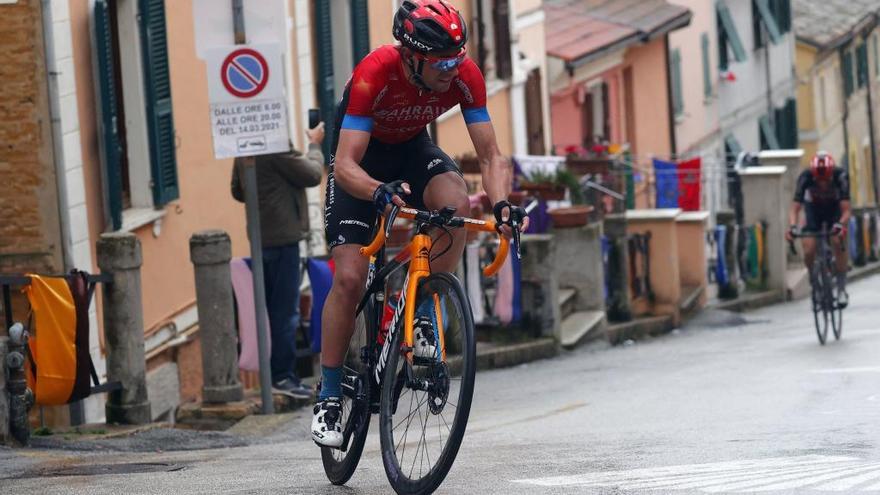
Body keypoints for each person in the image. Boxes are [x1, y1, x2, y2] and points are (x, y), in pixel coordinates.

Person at [311, 0, 527, 447]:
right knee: (350, 278)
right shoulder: (376, 71)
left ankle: (424, 307)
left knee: (454, 201)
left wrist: (503, 205)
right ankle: (330, 393)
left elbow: (490, 155)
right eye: (442, 62)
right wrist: (375, 191)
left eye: (458, 57)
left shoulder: (464, 75)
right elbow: (345, 163)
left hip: (412, 150)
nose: (453, 68)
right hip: (361, 163)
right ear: (411, 57)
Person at [231, 122, 325, 399]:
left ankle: (275, 375)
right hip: (283, 239)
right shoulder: (274, 142)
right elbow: (312, 174)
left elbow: (238, 190)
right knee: (285, 312)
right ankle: (283, 377)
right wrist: (314, 144)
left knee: (271, 310)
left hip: (260, 238)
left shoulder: (243, 143)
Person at [785, 151, 851, 307]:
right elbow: (794, 208)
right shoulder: (806, 177)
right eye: (819, 181)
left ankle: (841, 289)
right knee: (808, 250)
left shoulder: (841, 176)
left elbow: (847, 210)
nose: (822, 184)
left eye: (826, 181)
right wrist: (793, 227)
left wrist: (841, 224)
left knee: (837, 241)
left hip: (835, 211)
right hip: (813, 211)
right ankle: (815, 284)